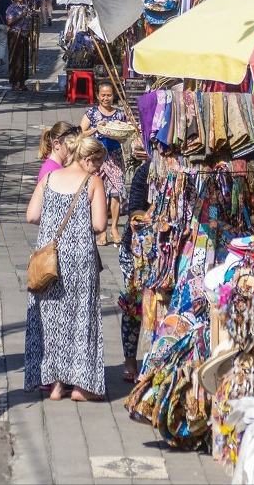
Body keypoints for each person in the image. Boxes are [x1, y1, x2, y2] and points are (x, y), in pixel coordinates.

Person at [24, 133, 107, 401]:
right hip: (81, 259)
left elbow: (32, 215)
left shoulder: (48, 178)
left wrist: (52, 225)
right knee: (82, 316)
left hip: (50, 259)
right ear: (87, 159)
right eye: (97, 163)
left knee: (53, 319)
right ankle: (82, 387)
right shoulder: (93, 182)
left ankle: (57, 385)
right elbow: (99, 225)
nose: (99, 169)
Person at [80, 81, 127, 246]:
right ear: (98, 95)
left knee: (116, 191)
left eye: (109, 95)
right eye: (103, 95)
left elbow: (125, 134)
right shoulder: (92, 113)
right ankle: (102, 231)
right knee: (98, 193)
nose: (106, 98)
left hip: (114, 156)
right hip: (96, 158)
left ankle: (114, 227)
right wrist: (96, 129)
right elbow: (80, 133)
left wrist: (117, 134)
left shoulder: (120, 114)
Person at [118, 156, 151, 384]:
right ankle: (130, 359)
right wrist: (149, 218)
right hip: (136, 248)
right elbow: (134, 210)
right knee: (134, 304)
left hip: (169, 248)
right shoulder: (145, 172)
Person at [6, 0, 31, 91]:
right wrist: (21, 16)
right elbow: (9, 22)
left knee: (24, 59)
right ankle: (14, 82)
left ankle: (22, 82)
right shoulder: (11, 8)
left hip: (24, 35)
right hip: (15, 35)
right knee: (15, 58)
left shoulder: (25, 7)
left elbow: (30, 19)